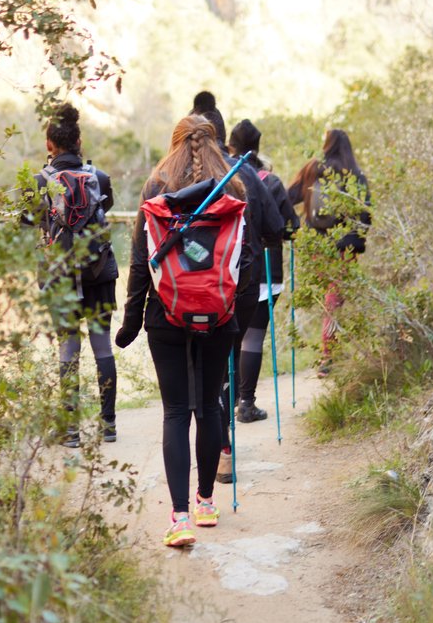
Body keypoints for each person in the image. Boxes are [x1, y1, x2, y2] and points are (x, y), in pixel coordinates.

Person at [115, 114, 248, 547]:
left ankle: (180, 519)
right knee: (208, 407)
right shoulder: (233, 187)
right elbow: (246, 265)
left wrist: (131, 322)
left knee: (175, 412)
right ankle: (207, 501)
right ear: (214, 142)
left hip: (165, 314)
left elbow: (140, 261)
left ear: (175, 143)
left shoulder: (156, 187)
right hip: (220, 317)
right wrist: (229, 311)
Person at [188, 92, 284, 480]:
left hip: (186, 290)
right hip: (238, 286)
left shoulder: (168, 173)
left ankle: (194, 474)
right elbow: (276, 229)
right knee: (224, 367)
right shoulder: (243, 172)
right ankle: (223, 451)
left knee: (193, 381)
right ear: (223, 139)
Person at [31, 104, 119, 448]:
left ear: (50, 143)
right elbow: (104, 207)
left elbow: (30, 219)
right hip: (98, 272)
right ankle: (108, 425)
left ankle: (70, 432)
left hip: (60, 277)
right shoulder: (100, 179)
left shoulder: (39, 183)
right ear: (79, 140)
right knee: (101, 346)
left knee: (68, 349)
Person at [227, 119, 300, 422]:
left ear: (231, 146)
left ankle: (224, 401)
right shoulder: (270, 181)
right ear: (257, 147)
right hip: (265, 271)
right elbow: (290, 227)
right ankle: (246, 404)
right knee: (253, 336)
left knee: (230, 337)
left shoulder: (224, 177)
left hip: (228, 268)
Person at [287, 128, 371, 376]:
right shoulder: (355, 173)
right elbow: (366, 214)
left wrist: (294, 229)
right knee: (334, 301)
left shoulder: (312, 169)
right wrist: (356, 241)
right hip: (344, 247)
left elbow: (286, 197)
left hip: (317, 246)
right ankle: (329, 357)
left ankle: (331, 352)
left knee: (329, 299)